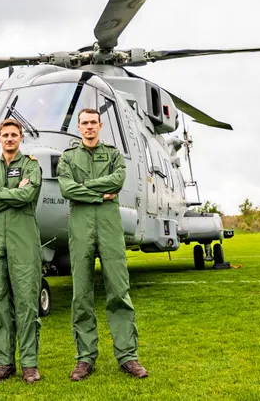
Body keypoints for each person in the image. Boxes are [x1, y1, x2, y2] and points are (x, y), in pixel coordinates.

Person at [57, 108, 148, 381]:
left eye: (92, 123)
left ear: (100, 125)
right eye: (83, 123)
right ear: (78, 126)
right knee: (81, 294)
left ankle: (128, 356)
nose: (88, 127)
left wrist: (84, 185)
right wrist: (100, 195)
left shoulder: (113, 155)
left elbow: (118, 180)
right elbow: (66, 188)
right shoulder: (68, 157)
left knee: (119, 291)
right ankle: (84, 358)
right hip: (81, 226)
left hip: (109, 227)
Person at [0, 118, 44, 384]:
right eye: (5, 135)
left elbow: (27, 197)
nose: (10, 138)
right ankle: (4, 363)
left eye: (14, 134)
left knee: (26, 302)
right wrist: (10, 192)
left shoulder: (31, 165)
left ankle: (29, 364)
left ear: (21, 138)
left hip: (23, 239)